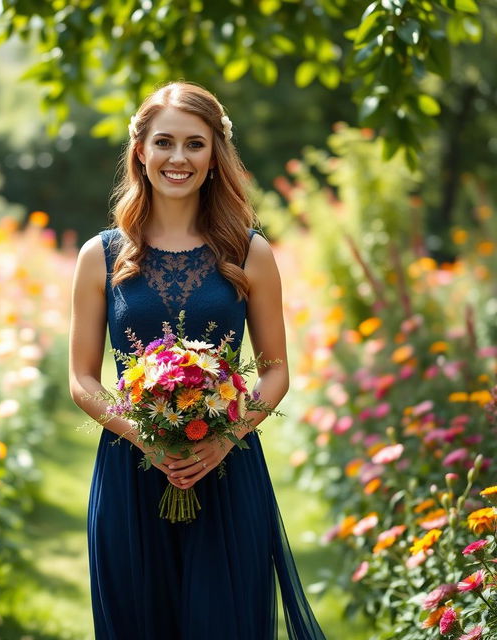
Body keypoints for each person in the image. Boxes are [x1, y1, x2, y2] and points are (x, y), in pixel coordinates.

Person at [68, 81, 327, 640]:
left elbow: (276, 368)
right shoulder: (102, 255)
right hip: (129, 473)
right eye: (164, 142)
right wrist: (148, 438)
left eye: (195, 144)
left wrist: (223, 438)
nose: (178, 158)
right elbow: (82, 377)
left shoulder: (249, 252)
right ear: (141, 151)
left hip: (227, 470)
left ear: (215, 155)